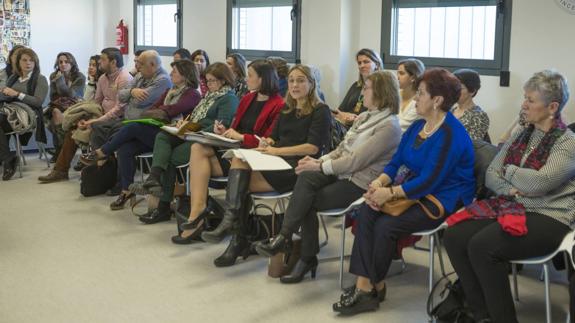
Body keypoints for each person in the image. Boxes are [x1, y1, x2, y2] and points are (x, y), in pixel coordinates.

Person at [332, 68, 476, 316]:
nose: (415, 97)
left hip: (442, 198)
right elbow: (397, 160)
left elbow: (430, 181)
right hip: (411, 188)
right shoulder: (418, 125)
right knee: (366, 211)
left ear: (437, 100)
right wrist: (379, 182)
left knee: (386, 225)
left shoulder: (451, 134)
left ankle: (369, 287)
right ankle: (368, 285)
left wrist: (389, 194)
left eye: (421, 93)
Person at [443, 70, 574, 323]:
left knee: (482, 246)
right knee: (454, 235)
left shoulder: (567, 143)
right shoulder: (523, 134)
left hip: (551, 215)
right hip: (514, 204)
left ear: (552, 107)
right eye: (524, 97)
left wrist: (510, 171)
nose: (523, 105)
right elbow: (492, 173)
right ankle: (481, 314)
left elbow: (541, 183)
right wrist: (512, 187)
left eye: (530, 100)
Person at [254, 71, 403, 284]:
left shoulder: (389, 126)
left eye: (367, 88)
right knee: (305, 178)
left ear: (381, 92)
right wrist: (319, 162)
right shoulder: (365, 117)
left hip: (359, 183)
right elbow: (342, 148)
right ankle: (287, 239)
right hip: (341, 173)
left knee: (306, 200)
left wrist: (321, 166)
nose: (362, 92)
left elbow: (355, 161)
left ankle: (304, 255)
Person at [202, 64, 331, 268]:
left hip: (299, 166)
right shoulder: (287, 108)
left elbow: (313, 148)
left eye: (300, 80)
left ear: (311, 84)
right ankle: (235, 229)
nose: (295, 85)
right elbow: (273, 137)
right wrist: (267, 143)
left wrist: (276, 150)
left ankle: (235, 232)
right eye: (291, 81)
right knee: (239, 159)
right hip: (276, 159)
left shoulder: (320, 110)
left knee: (239, 184)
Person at [173, 59, 284, 244]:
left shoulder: (278, 104)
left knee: (200, 156)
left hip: (254, 157)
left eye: (250, 76)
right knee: (198, 147)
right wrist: (223, 131)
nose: (246, 79)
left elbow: (269, 139)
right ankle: (197, 212)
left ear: (263, 79)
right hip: (235, 151)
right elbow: (235, 127)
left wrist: (241, 138)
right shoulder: (248, 98)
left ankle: (198, 219)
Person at [80, 59, 201, 210]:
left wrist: (162, 111)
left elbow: (172, 110)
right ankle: (126, 191)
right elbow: (151, 109)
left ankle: (102, 152)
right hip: (160, 130)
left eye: (174, 71)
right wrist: (161, 111)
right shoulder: (169, 91)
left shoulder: (192, 94)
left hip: (173, 137)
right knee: (125, 148)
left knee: (133, 127)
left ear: (185, 74)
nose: (171, 74)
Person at [134, 62, 239, 225]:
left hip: (206, 140)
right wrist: (183, 124)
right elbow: (194, 117)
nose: (208, 85)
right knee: (162, 136)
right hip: (192, 132)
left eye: (212, 81)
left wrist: (193, 130)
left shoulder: (228, 98)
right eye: (207, 81)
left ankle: (163, 207)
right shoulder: (208, 97)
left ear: (223, 80)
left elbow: (222, 125)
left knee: (170, 157)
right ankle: (154, 177)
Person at [37, 47, 133, 183]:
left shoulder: (124, 78)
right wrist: (88, 118)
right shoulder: (103, 79)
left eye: (103, 60)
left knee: (90, 128)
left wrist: (95, 121)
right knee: (75, 128)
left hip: (119, 119)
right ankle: (60, 171)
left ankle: (95, 175)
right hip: (102, 115)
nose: (100, 62)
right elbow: (96, 102)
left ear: (113, 62)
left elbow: (120, 108)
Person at [80, 50, 171, 154]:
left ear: (152, 64)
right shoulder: (139, 75)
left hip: (141, 124)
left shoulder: (163, 80)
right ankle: (103, 162)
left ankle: (103, 156)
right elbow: (121, 95)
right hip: (126, 119)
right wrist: (132, 91)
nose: (137, 66)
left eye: (140, 63)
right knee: (97, 127)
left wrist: (130, 95)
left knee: (115, 136)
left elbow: (138, 102)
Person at [0, 48, 49, 180]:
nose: (28, 63)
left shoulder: (40, 79)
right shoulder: (13, 77)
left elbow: (38, 102)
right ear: (18, 62)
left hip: (28, 115)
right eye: (24, 60)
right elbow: (6, 96)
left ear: (36, 63)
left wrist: (17, 94)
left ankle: (7, 158)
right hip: (9, 112)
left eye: (31, 60)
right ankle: (7, 158)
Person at [46, 52, 86, 162]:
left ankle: (60, 151)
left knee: (57, 117)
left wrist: (60, 82)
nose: (63, 64)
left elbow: (73, 95)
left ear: (72, 63)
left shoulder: (80, 77)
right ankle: (61, 150)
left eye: (66, 62)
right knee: (55, 113)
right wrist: (64, 90)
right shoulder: (53, 75)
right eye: (60, 62)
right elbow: (53, 96)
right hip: (57, 106)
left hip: (75, 106)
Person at [335, 48, 383, 128]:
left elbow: (376, 118)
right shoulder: (356, 86)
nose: (362, 65)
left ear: (377, 65)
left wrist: (355, 119)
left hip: (363, 129)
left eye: (366, 62)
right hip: (344, 125)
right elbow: (340, 110)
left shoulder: (382, 88)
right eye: (359, 63)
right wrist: (343, 115)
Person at [452, 68, 490, 141]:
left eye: (459, 88)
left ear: (472, 91)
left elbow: (472, 146)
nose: (454, 91)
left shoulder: (479, 116)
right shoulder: (451, 111)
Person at [396, 58, 425, 131]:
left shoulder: (419, 101)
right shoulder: (394, 95)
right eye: (397, 73)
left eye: (401, 73)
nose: (397, 77)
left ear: (413, 78)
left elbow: (402, 128)